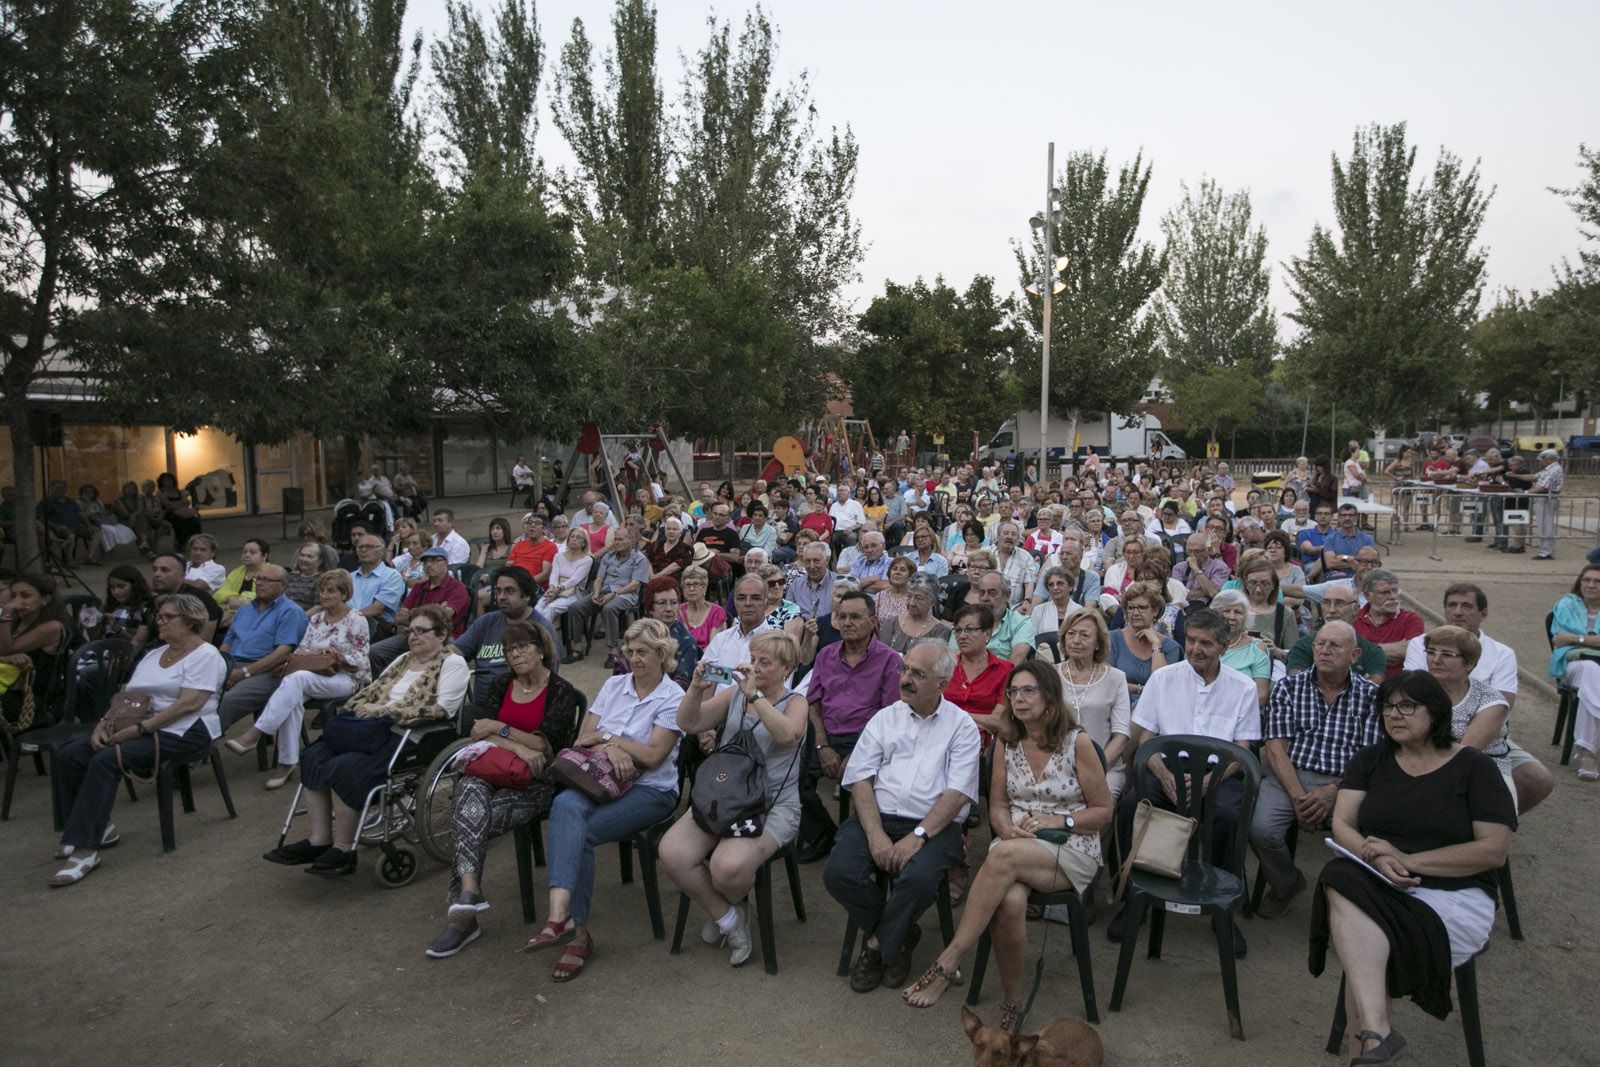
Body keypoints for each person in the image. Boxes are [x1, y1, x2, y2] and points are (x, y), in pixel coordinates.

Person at [1309, 671, 1516, 1065]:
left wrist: (1407, 859)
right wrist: (1377, 857)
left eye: (1407, 706)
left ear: (1435, 712)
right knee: (1339, 875)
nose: (1394, 715)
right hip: (1382, 880)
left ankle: (1370, 1042)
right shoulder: (1371, 760)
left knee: (1366, 938)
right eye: (1388, 707)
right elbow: (1342, 825)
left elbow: (1494, 851)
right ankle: (1377, 1036)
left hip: (1456, 894)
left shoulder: (1474, 767)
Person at [900, 663, 1110, 1017]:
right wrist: (1007, 830)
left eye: (1029, 691)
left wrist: (1060, 820)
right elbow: (997, 806)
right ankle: (1013, 1002)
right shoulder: (1006, 743)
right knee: (1010, 902)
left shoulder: (1078, 742)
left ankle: (949, 959)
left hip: (1070, 847)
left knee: (1001, 857)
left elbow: (1104, 811)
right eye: (1013, 692)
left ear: (1050, 696)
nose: (1019, 699)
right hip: (1017, 843)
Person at [517, 618, 684, 980]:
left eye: (643, 652)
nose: (634, 659)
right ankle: (559, 917)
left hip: (651, 790)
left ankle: (577, 934)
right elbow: (583, 739)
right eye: (630, 651)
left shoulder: (674, 697)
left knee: (582, 832)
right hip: (601, 780)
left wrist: (612, 741)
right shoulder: (614, 685)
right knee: (565, 805)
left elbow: (653, 757)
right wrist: (612, 748)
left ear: (662, 654)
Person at [824, 640, 981, 993]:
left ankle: (877, 945)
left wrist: (918, 837)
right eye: (905, 669)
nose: (906, 679)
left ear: (942, 684)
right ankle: (901, 932)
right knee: (839, 873)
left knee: (918, 880)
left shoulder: (962, 727)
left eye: (918, 673)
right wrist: (875, 834)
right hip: (878, 817)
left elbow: (957, 794)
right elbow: (861, 779)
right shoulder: (885, 719)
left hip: (935, 826)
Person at [265, 604, 468, 877]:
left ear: (442, 634)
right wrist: (359, 708)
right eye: (411, 631)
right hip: (371, 729)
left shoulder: (452, 663)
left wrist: (385, 711)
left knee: (345, 767)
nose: (414, 636)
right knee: (313, 756)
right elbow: (372, 690)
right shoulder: (403, 659)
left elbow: (442, 710)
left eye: (422, 631)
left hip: (410, 735)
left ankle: (343, 850)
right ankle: (319, 840)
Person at [425, 620, 582, 957]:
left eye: (523, 647)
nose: (515, 655)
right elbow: (478, 731)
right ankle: (469, 895)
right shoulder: (501, 684)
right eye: (510, 650)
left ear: (541, 651)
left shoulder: (560, 691)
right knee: (470, 793)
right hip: (492, 770)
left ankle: (463, 920)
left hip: (536, 784)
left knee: (468, 818)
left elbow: (545, 747)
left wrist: (501, 730)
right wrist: (517, 746)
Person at [47, 594, 226, 886]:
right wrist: (103, 725)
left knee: (107, 759)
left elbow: (189, 704)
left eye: (168, 617)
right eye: (159, 616)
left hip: (188, 730)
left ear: (191, 622)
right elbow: (127, 696)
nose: (160, 621)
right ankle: (101, 828)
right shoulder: (155, 654)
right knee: (72, 754)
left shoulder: (205, 655)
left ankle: (84, 850)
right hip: (141, 725)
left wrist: (141, 729)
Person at [1111, 608, 1260, 954]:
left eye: (1206, 643)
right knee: (1131, 808)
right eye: (1191, 640)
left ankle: (1222, 907)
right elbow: (1147, 738)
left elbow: (1242, 751)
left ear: (1224, 647)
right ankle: (1136, 897)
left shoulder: (1243, 687)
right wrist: (1164, 775)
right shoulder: (1163, 678)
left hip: (1219, 773)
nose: (1195, 649)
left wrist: (1209, 782)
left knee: (1229, 815)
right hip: (1166, 766)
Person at [661, 630, 808, 967]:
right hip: (725, 796)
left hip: (771, 805)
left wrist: (756, 696)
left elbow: (788, 735)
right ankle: (729, 916)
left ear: (787, 669)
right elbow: (688, 722)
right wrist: (696, 690)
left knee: (726, 867)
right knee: (672, 853)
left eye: (765, 662)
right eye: (753, 659)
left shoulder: (796, 702)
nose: (754, 667)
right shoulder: (734, 693)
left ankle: (728, 905)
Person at [1249, 620, 1381, 919]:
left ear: (1355, 655)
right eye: (1320, 643)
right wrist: (1298, 797)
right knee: (1260, 829)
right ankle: (1287, 883)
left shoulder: (1372, 696)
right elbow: (1275, 749)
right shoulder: (1289, 687)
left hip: (1346, 783)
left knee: (1359, 836)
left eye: (1335, 645)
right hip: (1289, 775)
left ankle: (1349, 900)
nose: (1324, 650)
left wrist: (1332, 792)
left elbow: (1370, 759)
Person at [223, 570, 371, 789]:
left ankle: (256, 733)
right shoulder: (316, 619)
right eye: (322, 590)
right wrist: (315, 655)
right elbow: (300, 651)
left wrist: (339, 656)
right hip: (314, 675)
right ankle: (287, 762)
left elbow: (362, 659)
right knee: (293, 695)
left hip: (346, 678)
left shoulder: (356, 619)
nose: (324, 595)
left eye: (331, 591)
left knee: (296, 680)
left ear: (344, 593)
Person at [797, 589, 903, 862]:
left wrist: (858, 754)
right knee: (790, 778)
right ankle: (823, 833)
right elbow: (813, 704)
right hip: (827, 734)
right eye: (842, 617)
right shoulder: (826, 655)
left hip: (868, 739)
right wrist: (821, 746)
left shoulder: (889, 659)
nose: (846, 623)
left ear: (873, 621)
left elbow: (889, 716)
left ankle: (859, 843)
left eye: (855, 617)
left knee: (871, 786)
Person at [455, 565, 563, 713]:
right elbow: (456, 651)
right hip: (481, 706)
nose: (501, 597)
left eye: (509, 591)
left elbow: (547, 680)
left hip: (519, 708)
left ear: (527, 595)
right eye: (498, 591)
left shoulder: (541, 630)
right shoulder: (486, 622)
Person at [216, 565, 308, 733]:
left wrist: (243, 673)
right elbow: (227, 644)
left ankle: (198, 742)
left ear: (283, 585)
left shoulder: (291, 612)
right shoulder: (245, 609)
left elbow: (283, 653)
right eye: (258, 579)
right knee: (192, 692)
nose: (260, 583)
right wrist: (221, 669)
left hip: (266, 671)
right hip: (232, 665)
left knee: (225, 701)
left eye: (267, 580)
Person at [1055, 608, 1132, 798]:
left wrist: (1096, 766)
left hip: (1104, 767)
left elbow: (1121, 736)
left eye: (1084, 635)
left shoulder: (1116, 678)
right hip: (1056, 766)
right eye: (1071, 634)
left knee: (1098, 807)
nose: (1075, 640)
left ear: (1098, 643)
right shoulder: (1050, 676)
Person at [0, 573, 71, 729]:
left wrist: (6, 612)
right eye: (13, 596)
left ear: (45, 599)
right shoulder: (18, 621)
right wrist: (5, 658)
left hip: (29, 699)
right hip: (7, 688)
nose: (17, 602)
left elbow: (5, 648)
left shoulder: (52, 627)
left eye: (25, 596)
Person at [1552, 564, 1600, 780]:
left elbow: (1567, 638)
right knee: (1590, 670)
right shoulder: (1567, 605)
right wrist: (1592, 641)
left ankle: (1586, 751)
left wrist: (1576, 638)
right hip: (1572, 666)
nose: (1591, 585)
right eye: (1586, 580)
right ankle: (1588, 754)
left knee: (1592, 682)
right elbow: (1559, 639)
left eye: (1597, 581)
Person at [1287, 584, 1387, 683]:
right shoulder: (1303, 646)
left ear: (1356, 609)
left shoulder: (1372, 652)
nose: (1331, 610)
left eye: (1339, 603)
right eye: (1326, 603)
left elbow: (1373, 688)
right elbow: (1296, 683)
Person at [1105, 582, 1180, 708]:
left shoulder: (1171, 647)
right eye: (1131, 608)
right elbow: (1106, 682)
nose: (1135, 613)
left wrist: (1156, 644)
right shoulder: (1112, 638)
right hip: (1118, 705)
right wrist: (1141, 689)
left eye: (1142, 607)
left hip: (1155, 708)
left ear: (1155, 610)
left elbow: (1162, 686)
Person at [945, 604, 1010, 735]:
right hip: (942, 736)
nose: (962, 636)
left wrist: (955, 716)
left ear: (987, 634)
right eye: (958, 630)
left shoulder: (1005, 670)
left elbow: (999, 721)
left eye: (969, 630)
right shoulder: (945, 666)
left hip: (983, 741)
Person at [1354, 569, 1424, 677]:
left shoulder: (1412, 620)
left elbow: (1409, 650)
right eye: (1385, 592)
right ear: (1368, 596)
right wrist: (1392, 650)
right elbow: (1344, 654)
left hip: (1398, 684)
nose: (1393, 597)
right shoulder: (1353, 619)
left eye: (1395, 591)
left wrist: (1361, 653)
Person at [1211, 590, 1272, 708]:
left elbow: (1261, 695)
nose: (1232, 617)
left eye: (1237, 612)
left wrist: (1230, 711)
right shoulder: (1202, 644)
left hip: (1243, 711)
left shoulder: (1256, 648)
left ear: (1245, 618)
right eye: (1226, 611)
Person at [347, 533, 405, 639]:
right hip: (345, 626)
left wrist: (346, 619)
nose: (363, 550)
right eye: (360, 547)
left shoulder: (392, 576)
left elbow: (377, 609)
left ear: (382, 551)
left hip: (376, 628)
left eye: (369, 547)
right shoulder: (349, 577)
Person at [537, 527, 595, 630]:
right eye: (572, 536)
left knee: (550, 608)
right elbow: (554, 575)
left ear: (584, 543)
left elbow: (575, 580)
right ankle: (538, 634)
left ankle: (541, 636)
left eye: (578, 537)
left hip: (574, 593)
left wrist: (558, 589)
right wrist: (552, 588)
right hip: (555, 588)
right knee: (538, 607)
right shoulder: (558, 556)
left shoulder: (587, 560)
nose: (574, 539)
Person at [88, 565, 156, 647]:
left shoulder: (146, 609)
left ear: (135, 586)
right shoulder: (109, 607)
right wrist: (90, 624)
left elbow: (142, 644)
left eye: (121, 586)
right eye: (112, 587)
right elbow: (95, 641)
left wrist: (119, 630)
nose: (116, 592)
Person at [880, 573, 951, 652]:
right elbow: (882, 654)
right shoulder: (891, 623)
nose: (912, 603)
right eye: (909, 596)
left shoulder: (940, 631)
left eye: (919, 598)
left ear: (932, 602)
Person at [1028, 566, 1083, 654]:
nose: (1055, 587)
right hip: (1044, 657)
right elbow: (1031, 640)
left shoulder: (1080, 611)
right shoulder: (1038, 611)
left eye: (1060, 583)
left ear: (1070, 587)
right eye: (1051, 585)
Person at [1172, 533, 1228, 611]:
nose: (1192, 555)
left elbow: (1213, 593)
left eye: (1197, 551)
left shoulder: (1219, 567)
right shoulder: (1179, 568)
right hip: (1182, 608)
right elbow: (1177, 594)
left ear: (1208, 550)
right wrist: (1204, 593)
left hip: (1209, 610)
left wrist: (1196, 570)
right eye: (1189, 551)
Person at [1322, 503, 1375, 581]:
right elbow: (1330, 563)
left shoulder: (1367, 539)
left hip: (1362, 577)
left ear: (1356, 518)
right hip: (1336, 577)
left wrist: (1343, 557)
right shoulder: (1330, 539)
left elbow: (1368, 563)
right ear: (1339, 518)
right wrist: (1357, 561)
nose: (1347, 518)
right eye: (1344, 515)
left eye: (1351, 515)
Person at [1530, 448, 1564, 560]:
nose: (1541, 461)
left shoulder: (1554, 469)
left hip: (1547, 498)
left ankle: (1546, 552)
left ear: (1549, 459)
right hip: (1544, 498)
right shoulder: (1548, 469)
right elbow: (1534, 477)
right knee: (1544, 525)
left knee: (1546, 526)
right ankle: (1546, 550)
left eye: (1543, 458)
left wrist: (1525, 492)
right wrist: (1515, 475)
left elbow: (1543, 487)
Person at [507, 513, 557, 589]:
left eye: (537, 523)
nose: (532, 525)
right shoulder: (519, 545)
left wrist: (524, 584)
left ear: (544, 529)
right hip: (513, 583)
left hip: (532, 586)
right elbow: (508, 565)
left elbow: (545, 574)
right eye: (530, 523)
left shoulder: (550, 547)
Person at [284, 542, 329, 611]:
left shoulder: (323, 580)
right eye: (302, 555)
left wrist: (300, 616)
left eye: (309, 556)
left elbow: (319, 606)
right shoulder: (291, 576)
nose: (304, 559)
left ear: (320, 561)